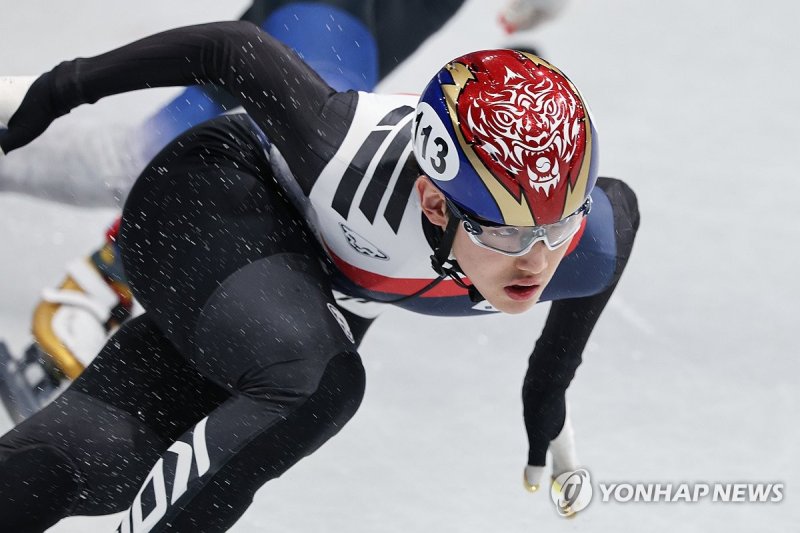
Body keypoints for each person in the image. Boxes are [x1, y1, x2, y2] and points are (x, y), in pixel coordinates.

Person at [0, 20, 637, 532]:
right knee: (318, 383)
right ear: (435, 203)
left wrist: (546, 386)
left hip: (294, 290)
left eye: (558, 230)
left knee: (107, 458)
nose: (538, 262)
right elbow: (232, 49)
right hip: (209, 197)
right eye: (508, 234)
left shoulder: (580, 245)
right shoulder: (340, 148)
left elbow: (620, 216)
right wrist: (58, 89)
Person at [0, 0, 567, 421]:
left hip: (381, 26)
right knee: (149, 156)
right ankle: (115, 265)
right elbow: (231, 53)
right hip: (334, 16)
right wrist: (60, 87)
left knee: (154, 155)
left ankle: (117, 262)